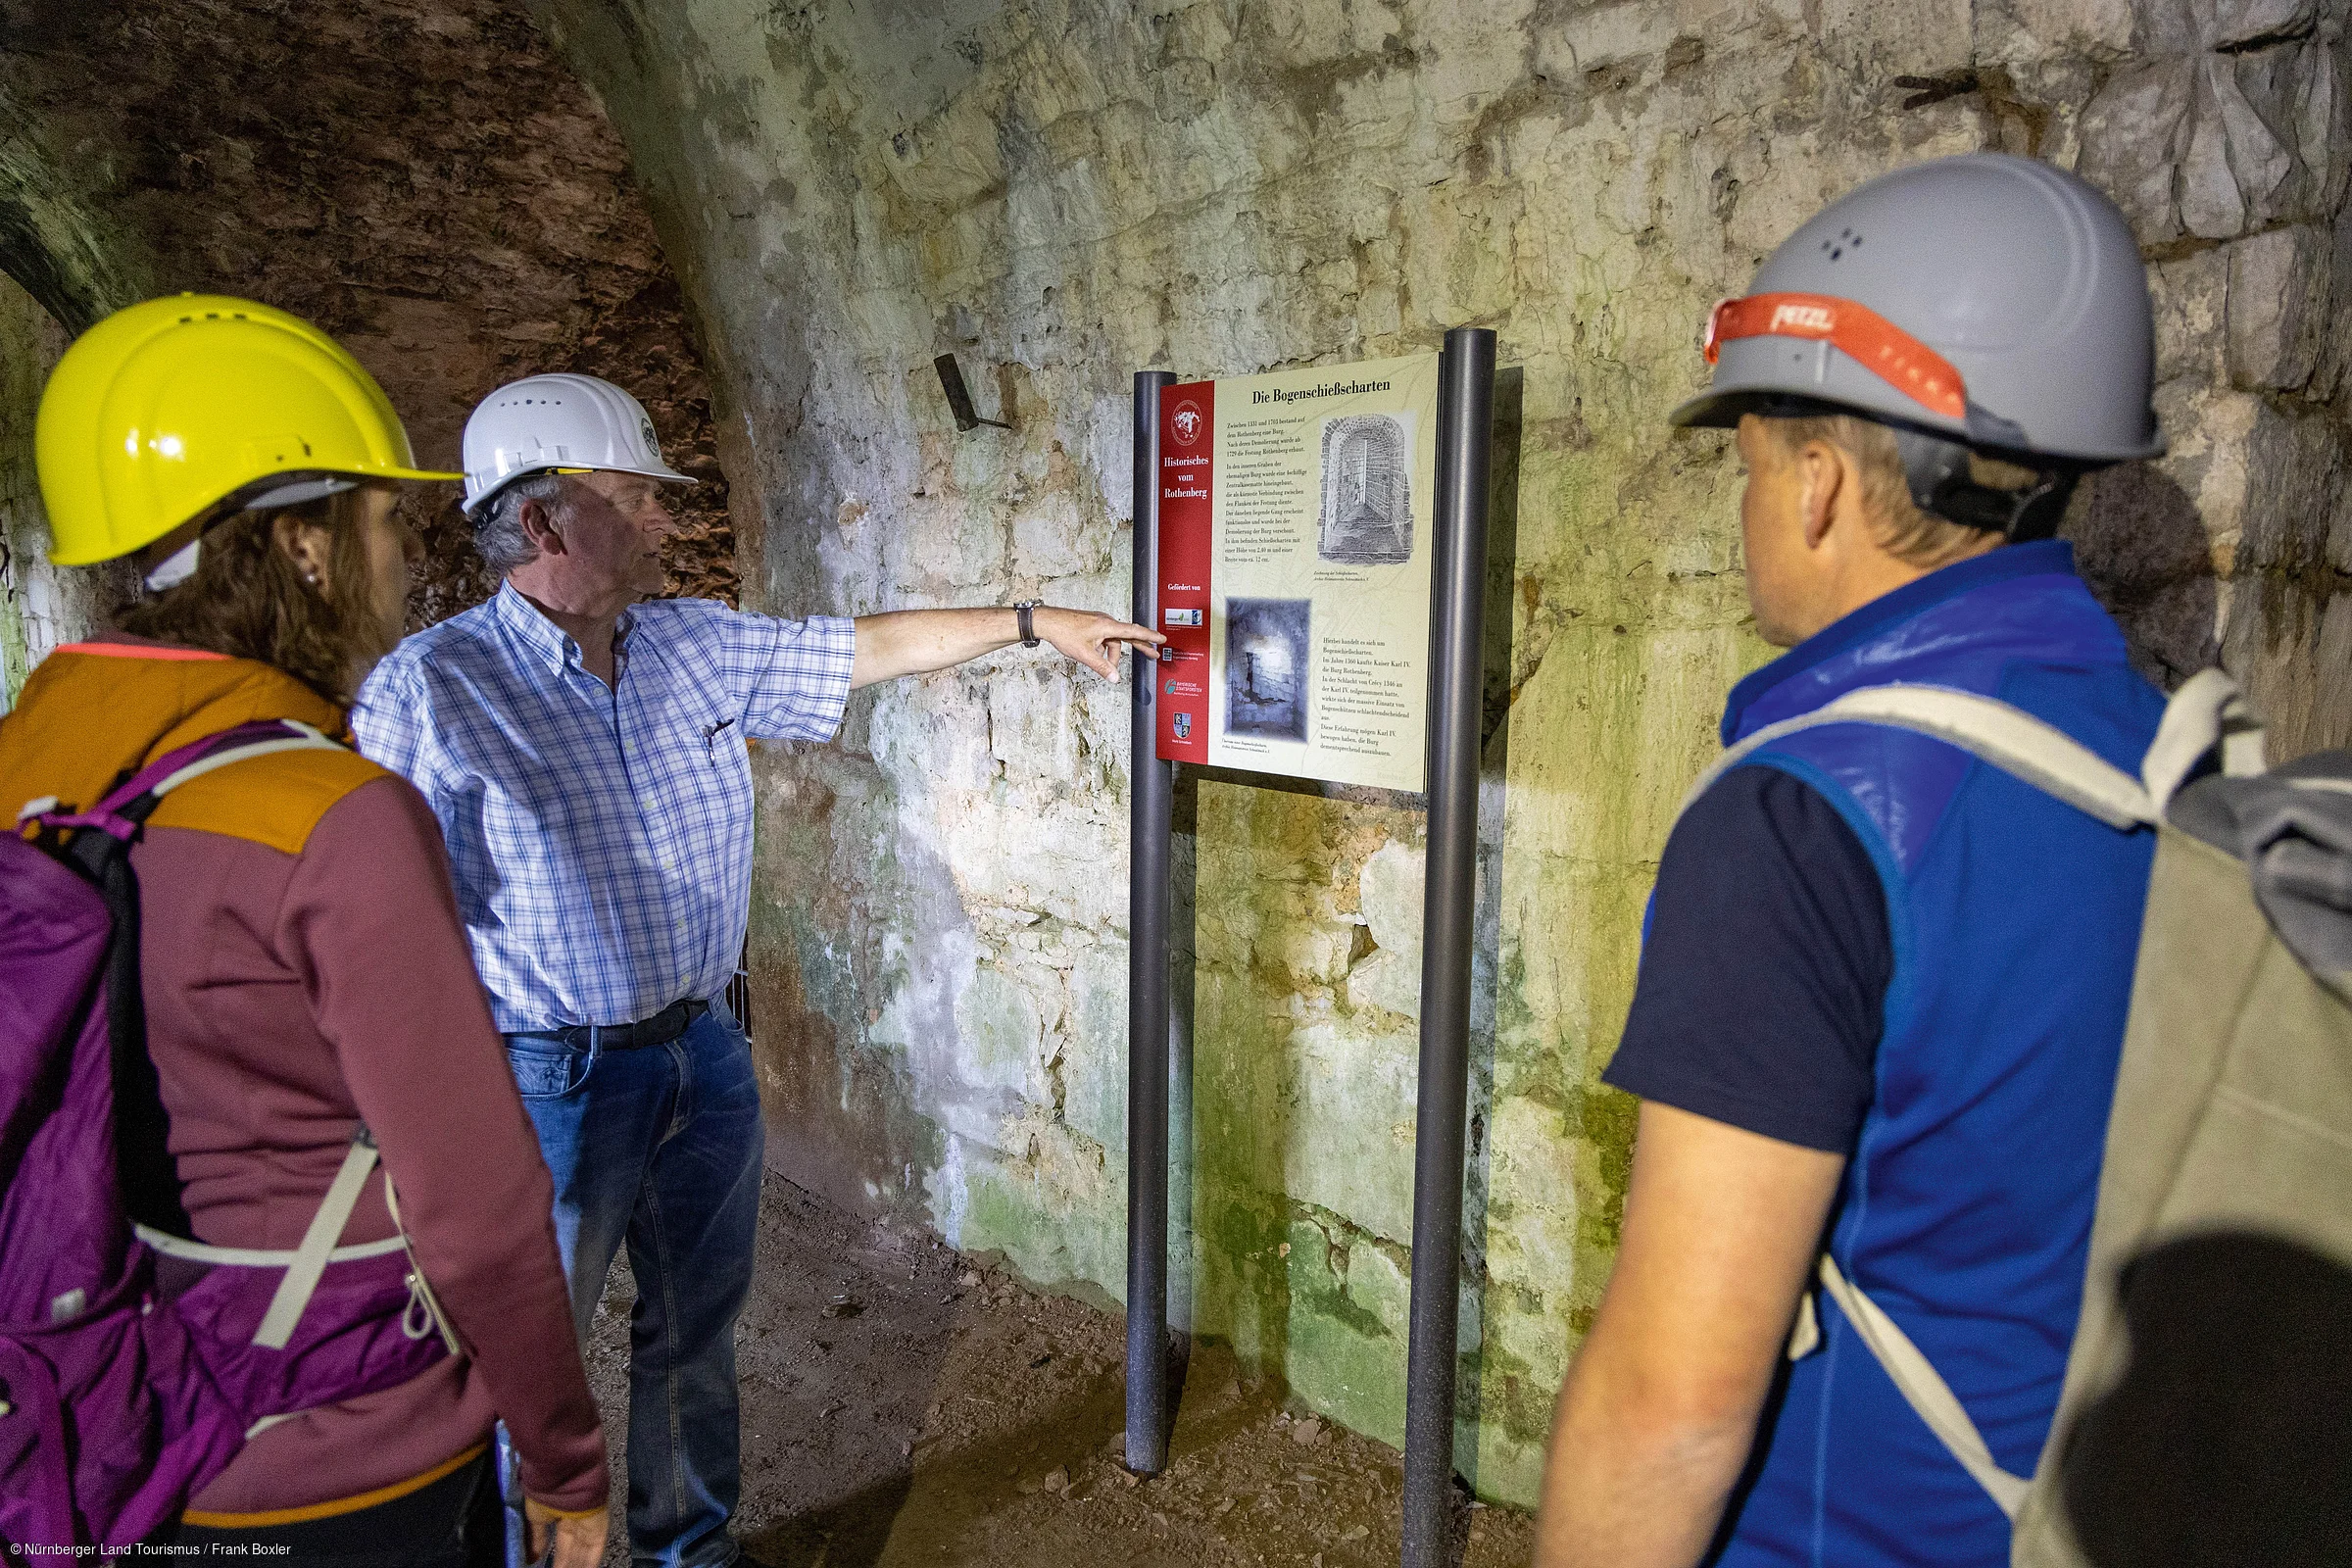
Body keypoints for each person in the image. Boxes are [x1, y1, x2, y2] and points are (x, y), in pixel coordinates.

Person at [351, 371, 1163, 1568]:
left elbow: (863, 648)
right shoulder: (434, 691)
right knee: (532, 1361)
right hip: (546, 1084)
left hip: (705, 1058)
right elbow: (387, 926)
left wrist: (1035, 625)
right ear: (543, 519)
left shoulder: (691, 643)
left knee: (695, 1335)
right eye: (638, 497)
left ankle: (691, 1552)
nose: (669, 521)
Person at [1533, 154, 2171, 1567]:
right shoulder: (2164, 752)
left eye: (1752, 464)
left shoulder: (1803, 822)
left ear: (1817, 484)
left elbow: (1673, 1407)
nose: (1750, 507)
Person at [0, 297, 610, 1565]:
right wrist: (562, 1461)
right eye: (382, 521)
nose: (405, 559)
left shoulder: (32, 769)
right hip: (333, 1447)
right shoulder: (331, 818)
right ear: (303, 549)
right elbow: (482, 1208)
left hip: (103, 1414)